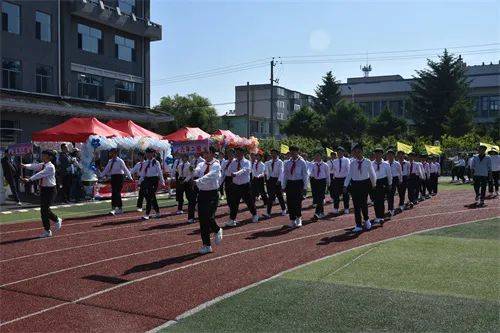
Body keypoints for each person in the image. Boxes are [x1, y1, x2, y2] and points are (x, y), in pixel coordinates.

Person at [20, 150, 62, 238]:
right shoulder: (43, 164)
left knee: (45, 210)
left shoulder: (50, 167)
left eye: (44, 155)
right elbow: (35, 166)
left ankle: (52, 225)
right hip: (43, 189)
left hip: (51, 190)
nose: (42, 156)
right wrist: (25, 166)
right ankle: (52, 225)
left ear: (50, 157)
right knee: (44, 210)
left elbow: (40, 174)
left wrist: (29, 179)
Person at [193, 146, 223, 254]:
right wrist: (191, 171)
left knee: (208, 216)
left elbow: (211, 175)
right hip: (202, 194)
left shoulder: (216, 164)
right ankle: (206, 245)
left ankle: (217, 229)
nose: (204, 155)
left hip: (212, 194)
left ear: (212, 153)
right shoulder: (201, 164)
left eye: (206, 153)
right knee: (202, 219)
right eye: (204, 153)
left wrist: (198, 181)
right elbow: (196, 171)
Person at [344, 144, 376, 232]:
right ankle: (358, 224)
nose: (357, 154)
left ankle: (366, 220)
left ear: (362, 152)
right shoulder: (352, 163)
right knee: (356, 205)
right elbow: (349, 174)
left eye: (359, 152)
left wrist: (374, 184)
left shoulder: (368, 162)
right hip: (355, 185)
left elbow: (372, 174)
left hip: (364, 184)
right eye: (355, 152)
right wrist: (345, 185)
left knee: (363, 203)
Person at [225, 148, 259, 226]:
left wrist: (236, 173)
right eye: (236, 153)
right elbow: (229, 170)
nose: (237, 154)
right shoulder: (233, 162)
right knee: (234, 203)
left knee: (249, 202)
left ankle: (255, 215)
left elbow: (244, 170)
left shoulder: (247, 162)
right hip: (235, 185)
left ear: (243, 153)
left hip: (245, 186)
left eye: (239, 153)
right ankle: (232, 219)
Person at [282, 146, 309, 228]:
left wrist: (305, 187)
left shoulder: (302, 162)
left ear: (298, 152)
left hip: (298, 183)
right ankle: (292, 220)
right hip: (290, 183)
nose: (293, 153)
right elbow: (285, 175)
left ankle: (298, 218)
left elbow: (305, 175)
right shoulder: (287, 162)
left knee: (297, 202)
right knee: (290, 202)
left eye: (294, 152)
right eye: (291, 152)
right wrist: (283, 185)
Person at [102, 148, 132, 215]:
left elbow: (125, 169)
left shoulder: (120, 161)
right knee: (114, 193)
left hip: (120, 177)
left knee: (117, 192)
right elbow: (106, 169)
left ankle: (118, 208)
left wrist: (130, 177)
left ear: (115, 153)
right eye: (111, 153)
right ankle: (115, 208)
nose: (111, 154)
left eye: (112, 153)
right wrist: (101, 176)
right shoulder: (110, 161)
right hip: (113, 177)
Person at [139, 148, 165, 220]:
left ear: (153, 154)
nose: (147, 154)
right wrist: (140, 181)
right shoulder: (145, 162)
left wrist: (162, 181)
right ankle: (157, 212)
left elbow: (159, 172)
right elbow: (143, 173)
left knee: (150, 197)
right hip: (147, 180)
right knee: (151, 197)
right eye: (147, 153)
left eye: (149, 153)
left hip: (154, 180)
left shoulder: (156, 162)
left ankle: (147, 214)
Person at [263, 148, 287, 218]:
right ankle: (268, 212)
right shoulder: (269, 162)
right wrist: (268, 179)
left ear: (277, 154)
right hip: (271, 180)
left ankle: (283, 209)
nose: (273, 155)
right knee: (270, 196)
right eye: (272, 153)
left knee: (279, 196)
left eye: (274, 153)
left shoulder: (280, 162)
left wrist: (279, 180)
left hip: (277, 180)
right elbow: (267, 171)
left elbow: (281, 172)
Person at [372, 148, 392, 224]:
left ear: (382, 154)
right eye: (376, 153)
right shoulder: (371, 164)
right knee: (375, 201)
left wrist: (390, 184)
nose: (377, 155)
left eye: (379, 153)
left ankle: (381, 216)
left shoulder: (386, 164)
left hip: (383, 182)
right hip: (374, 183)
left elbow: (389, 175)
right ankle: (377, 216)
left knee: (381, 200)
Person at [310, 151, 330, 219]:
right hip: (315, 182)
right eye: (316, 156)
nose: (317, 157)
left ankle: (317, 212)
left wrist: (328, 184)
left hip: (322, 181)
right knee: (317, 197)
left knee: (321, 197)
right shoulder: (313, 164)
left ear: (321, 157)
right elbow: (311, 173)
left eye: (318, 155)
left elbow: (327, 175)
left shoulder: (325, 165)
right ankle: (322, 212)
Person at [331, 146, 350, 215]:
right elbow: (333, 170)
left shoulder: (347, 160)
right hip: (336, 179)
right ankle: (336, 208)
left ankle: (346, 208)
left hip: (344, 178)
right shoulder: (334, 161)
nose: (339, 153)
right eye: (338, 152)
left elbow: (348, 170)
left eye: (341, 152)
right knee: (336, 195)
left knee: (345, 194)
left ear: (343, 152)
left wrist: (347, 181)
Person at [386, 149, 402, 216]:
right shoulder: (385, 163)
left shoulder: (397, 163)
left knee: (395, 193)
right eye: (388, 155)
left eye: (391, 155)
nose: (390, 156)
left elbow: (400, 172)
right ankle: (390, 208)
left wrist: (400, 180)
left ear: (394, 155)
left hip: (395, 179)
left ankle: (394, 207)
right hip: (387, 179)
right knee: (389, 194)